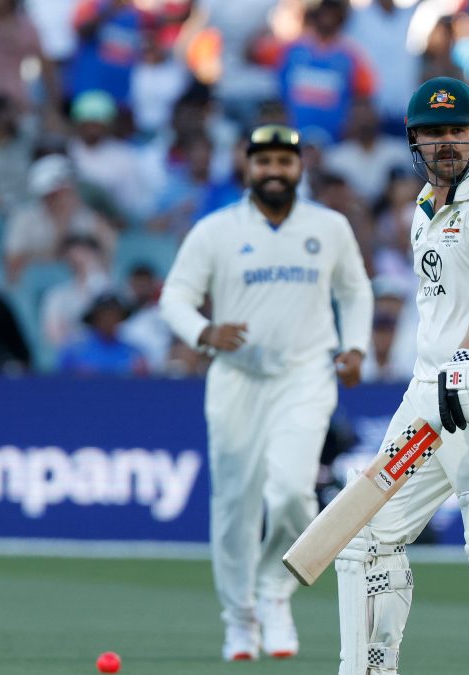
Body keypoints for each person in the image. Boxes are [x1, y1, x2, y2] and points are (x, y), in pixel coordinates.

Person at [334, 76, 469, 675]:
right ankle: (369, 667)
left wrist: (466, 362)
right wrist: (441, 372)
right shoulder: (423, 212)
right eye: (433, 134)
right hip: (426, 400)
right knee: (366, 529)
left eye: (457, 131)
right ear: (414, 142)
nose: (446, 143)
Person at [158, 124, 373, 662]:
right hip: (235, 379)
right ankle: (238, 620)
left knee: (291, 493)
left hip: (305, 375)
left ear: (300, 167)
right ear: (247, 167)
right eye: (264, 162)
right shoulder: (216, 230)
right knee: (234, 506)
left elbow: (354, 289)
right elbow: (176, 296)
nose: (274, 171)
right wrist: (203, 332)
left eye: (284, 162)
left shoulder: (329, 226)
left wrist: (357, 348)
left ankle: (275, 593)